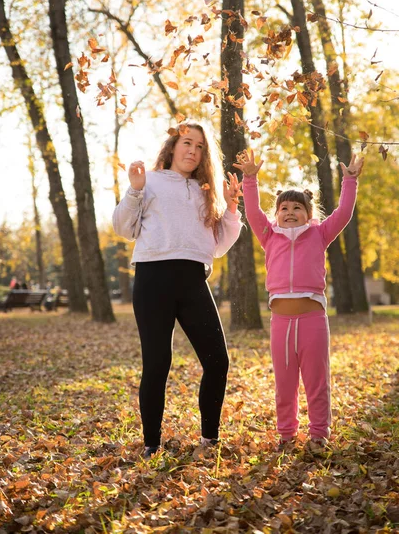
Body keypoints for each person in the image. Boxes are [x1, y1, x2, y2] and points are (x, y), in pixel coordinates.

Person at [113, 122, 243, 458]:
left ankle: (209, 439)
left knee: (218, 360)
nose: (193, 151)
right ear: (172, 147)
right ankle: (151, 445)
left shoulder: (205, 190)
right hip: (152, 278)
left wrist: (230, 208)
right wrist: (135, 190)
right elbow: (123, 228)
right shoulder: (150, 181)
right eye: (187, 143)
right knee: (157, 362)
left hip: (192, 279)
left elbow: (217, 246)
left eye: (200, 146)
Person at [234, 149, 364, 448]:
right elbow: (252, 212)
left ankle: (319, 434)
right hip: (281, 321)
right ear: (276, 214)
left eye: (297, 207)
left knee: (317, 382)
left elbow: (343, 214)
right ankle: (287, 434)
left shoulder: (319, 234)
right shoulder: (269, 235)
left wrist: (350, 181)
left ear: (309, 213)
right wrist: (250, 179)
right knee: (285, 383)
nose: (290, 212)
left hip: (312, 321)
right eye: (284, 208)